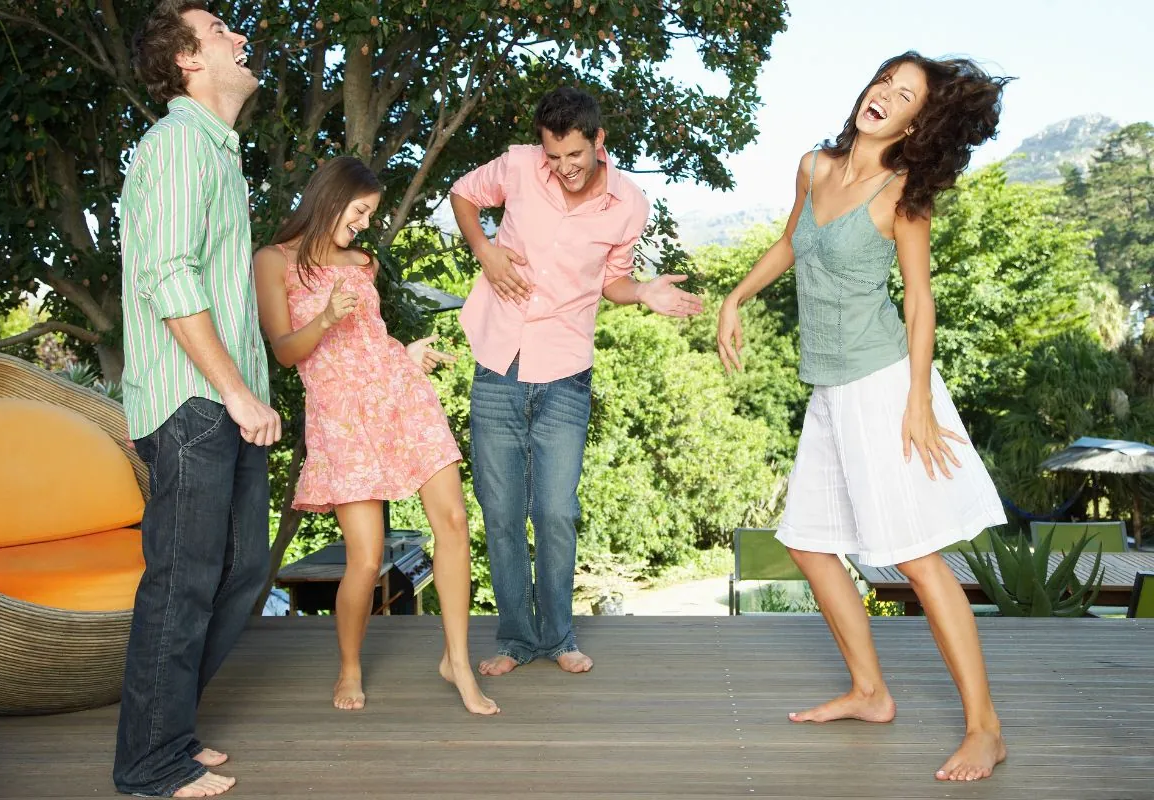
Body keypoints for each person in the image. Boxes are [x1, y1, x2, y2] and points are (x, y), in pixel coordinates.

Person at [716, 52, 1013, 782]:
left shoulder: (904, 191)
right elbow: (792, 242)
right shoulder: (815, 167)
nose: (886, 96)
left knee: (915, 556)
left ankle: (987, 728)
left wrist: (917, 401)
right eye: (885, 81)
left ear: (918, 119)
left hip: (884, 386)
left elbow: (918, 301)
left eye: (906, 95)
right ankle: (871, 692)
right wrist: (735, 297)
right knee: (812, 543)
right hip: (829, 388)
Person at [450, 87, 704, 676]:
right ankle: (516, 639)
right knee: (502, 510)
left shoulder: (628, 204)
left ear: (599, 142)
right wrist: (486, 250)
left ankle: (559, 636)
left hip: (565, 370)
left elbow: (614, 281)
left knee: (557, 510)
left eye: (575, 156)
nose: (563, 168)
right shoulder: (516, 166)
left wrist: (643, 292)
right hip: (497, 361)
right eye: (554, 156)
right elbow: (463, 194)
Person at [252, 157, 498, 717]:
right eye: (360, 211)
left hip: (401, 396)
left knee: (455, 523)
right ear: (331, 198)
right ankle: (350, 666)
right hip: (342, 418)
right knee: (364, 558)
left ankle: (457, 660)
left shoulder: (361, 262)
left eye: (370, 214)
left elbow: (371, 341)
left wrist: (408, 356)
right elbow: (286, 352)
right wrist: (324, 320)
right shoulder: (273, 261)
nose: (364, 224)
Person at [115, 2, 279, 797]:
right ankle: (148, 763)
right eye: (220, 32)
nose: (240, 38)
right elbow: (170, 280)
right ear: (186, 60)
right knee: (181, 581)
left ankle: (169, 728)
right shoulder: (178, 146)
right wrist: (238, 392)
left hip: (225, 400)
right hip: (193, 402)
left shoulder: (217, 155)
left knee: (244, 567)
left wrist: (250, 393)